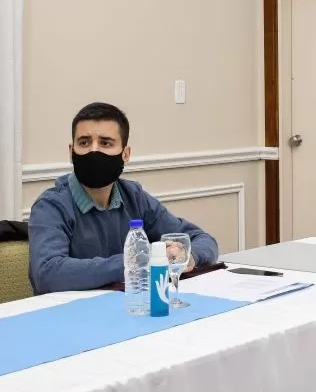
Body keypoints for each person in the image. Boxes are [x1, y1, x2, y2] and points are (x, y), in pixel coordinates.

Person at [28, 102, 219, 293]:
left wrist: (186, 256)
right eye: (84, 142)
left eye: (105, 143)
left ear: (125, 154)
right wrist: (136, 261)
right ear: (71, 152)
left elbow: (201, 239)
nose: (93, 151)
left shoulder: (134, 197)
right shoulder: (51, 206)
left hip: (129, 308)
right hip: (70, 315)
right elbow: (47, 274)